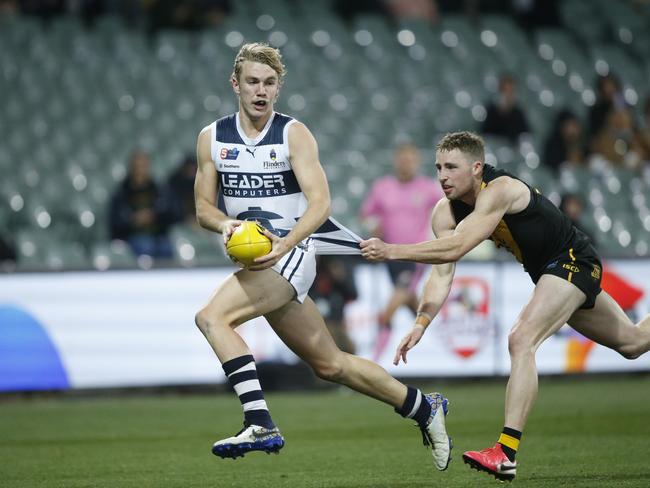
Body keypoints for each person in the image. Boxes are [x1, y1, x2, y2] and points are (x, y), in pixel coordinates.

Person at [193, 42, 451, 470]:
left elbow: (320, 204)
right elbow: (203, 208)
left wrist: (285, 243)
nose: (261, 91)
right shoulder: (213, 138)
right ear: (235, 84)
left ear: (278, 88)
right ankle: (424, 407)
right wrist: (226, 225)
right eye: (253, 82)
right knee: (330, 365)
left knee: (212, 317)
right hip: (259, 258)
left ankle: (259, 421)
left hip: (294, 250)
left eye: (270, 83)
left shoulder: (294, 133)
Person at [360, 131, 650, 481]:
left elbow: (457, 247)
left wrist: (391, 249)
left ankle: (505, 452)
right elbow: (441, 273)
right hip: (549, 272)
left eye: (452, 167)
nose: (442, 176)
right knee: (633, 343)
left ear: (477, 167)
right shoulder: (444, 212)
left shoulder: (500, 190)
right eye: (438, 167)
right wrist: (421, 322)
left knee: (521, 338)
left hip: (573, 260)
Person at [359, 144, 443, 360]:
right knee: (410, 303)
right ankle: (429, 319)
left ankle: (374, 362)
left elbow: (449, 208)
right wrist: (373, 225)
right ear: (396, 161)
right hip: (389, 255)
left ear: (417, 162)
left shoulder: (428, 188)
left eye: (410, 160)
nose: (406, 164)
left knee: (387, 312)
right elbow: (367, 215)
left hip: (415, 256)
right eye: (403, 160)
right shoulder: (383, 187)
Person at [109, 149, 175, 259]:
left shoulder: (158, 190)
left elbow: (170, 212)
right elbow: (116, 221)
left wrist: (153, 216)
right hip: (132, 235)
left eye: (143, 166)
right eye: (137, 166)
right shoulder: (122, 192)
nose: (140, 170)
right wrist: (134, 219)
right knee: (145, 246)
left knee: (166, 248)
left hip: (157, 234)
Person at [481, 73, 530, 144]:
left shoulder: (518, 114)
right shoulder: (492, 111)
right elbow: (486, 134)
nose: (508, 94)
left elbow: (524, 135)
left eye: (511, 91)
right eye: (505, 90)